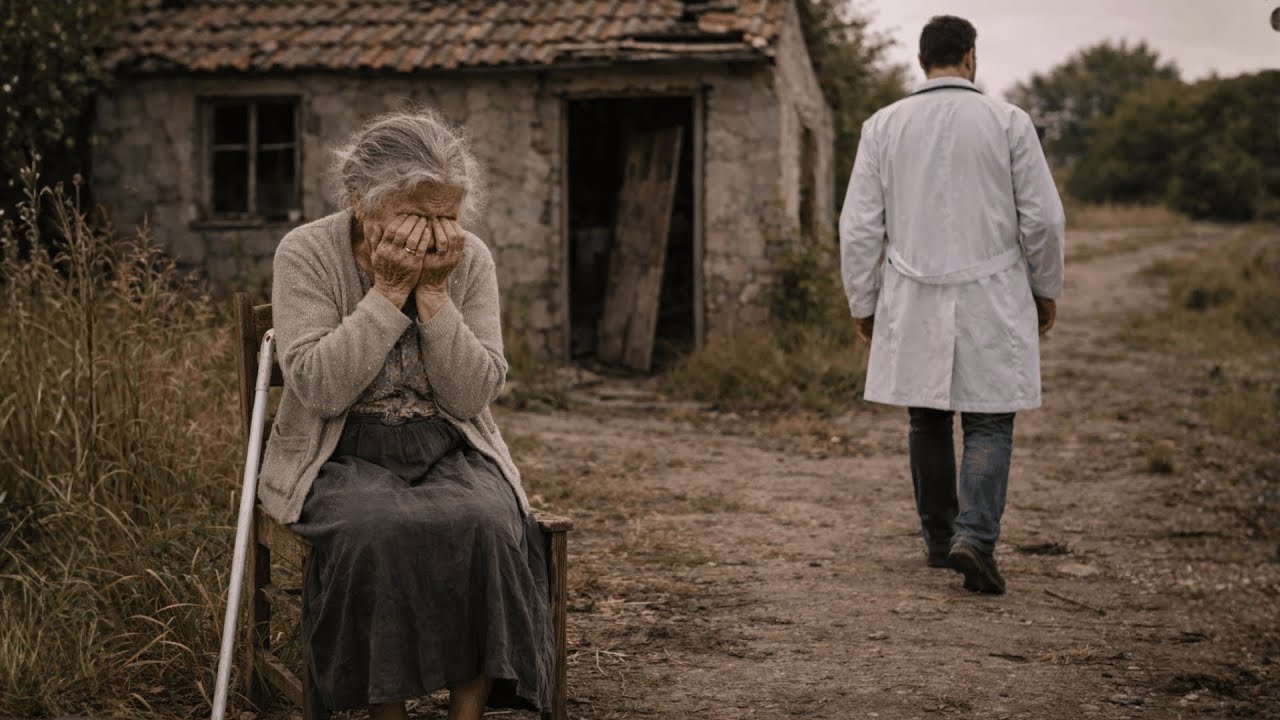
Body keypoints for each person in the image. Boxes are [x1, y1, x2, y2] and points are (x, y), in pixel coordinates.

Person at [258, 108, 552, 719]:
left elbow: (473, 396)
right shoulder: (306, 253)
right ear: (361, 201)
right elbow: (318, 389)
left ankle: (466, 714)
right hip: (337, 449)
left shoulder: (468, 260)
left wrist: (437, 297)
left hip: (447, 442)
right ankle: (386, 714)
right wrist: (388, 293)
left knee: (488, 525)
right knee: (377, 531)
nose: (436, 233)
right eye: (417, 216)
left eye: (447, 216)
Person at [839, 15, 1065, 595]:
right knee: (990, 419)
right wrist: (1045, 289)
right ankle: (977, 539)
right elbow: (1043, 219)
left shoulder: (882, 126)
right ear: (970, 57)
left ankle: (941, 540)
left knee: (927, 415)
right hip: (993, 292)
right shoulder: (1008, 123)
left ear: (922, 61)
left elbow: (860, 228)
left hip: (912, 293)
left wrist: (863, 302)